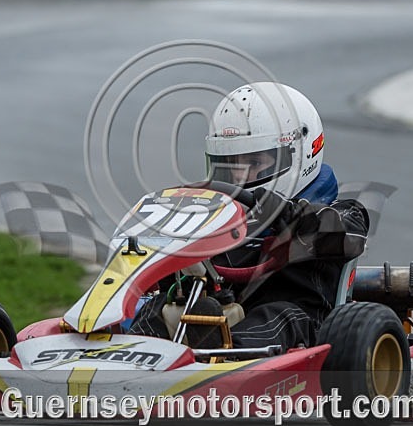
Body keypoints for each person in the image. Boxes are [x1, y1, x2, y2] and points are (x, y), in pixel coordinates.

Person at [128, 82, 369, 351]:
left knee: (278, 315)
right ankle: (124, 360)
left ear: (301, 154)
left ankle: (226, 360)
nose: (240, 177)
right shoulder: (218, 219)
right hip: (220, 311)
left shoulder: (342, 211)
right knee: (158, 307)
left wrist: (283, 214)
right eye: (230, 166)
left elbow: (343, 236)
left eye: (254, 164)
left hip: (305, 325)